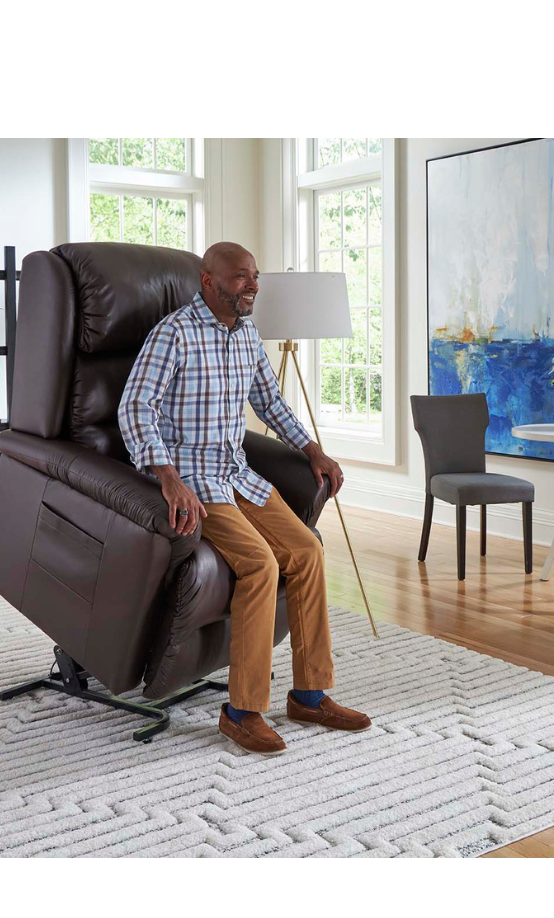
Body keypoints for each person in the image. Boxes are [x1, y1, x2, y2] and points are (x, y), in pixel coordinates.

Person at [118, 242, 371, 754]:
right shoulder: (174, 334)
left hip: (238, 474)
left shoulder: (247, 333)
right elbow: (135, 407)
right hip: (194, 482)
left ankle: (309, 694)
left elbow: (269, 401)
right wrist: (165, 475)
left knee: (307, 550)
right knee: (259, 564)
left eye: (254, 276)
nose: (252, 285)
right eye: (240, 277)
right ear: (208, 281)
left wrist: (313, 450)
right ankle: (241, 711)